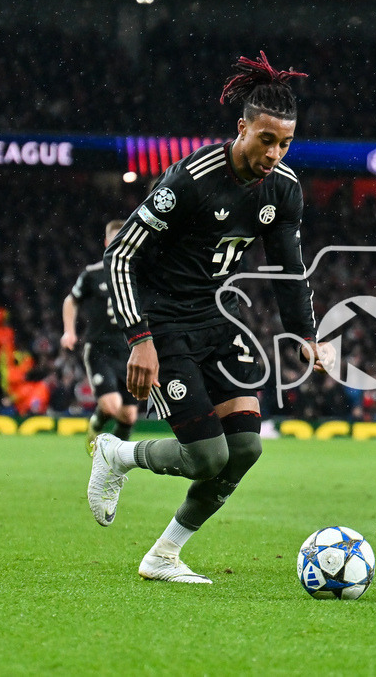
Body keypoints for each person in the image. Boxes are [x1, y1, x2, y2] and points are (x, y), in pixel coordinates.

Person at [88, 52, 335, 583]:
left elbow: (291, 270)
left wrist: (307, 337)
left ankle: (163, 556)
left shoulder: (283, 189)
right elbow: (121, 255)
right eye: (266, 139)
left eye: (285, 143)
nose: (275, 153)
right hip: (163, 323)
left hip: (215, 320)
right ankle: (117, 454)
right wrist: (140, 339)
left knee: (245, 447)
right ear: (241, 127)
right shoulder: (191, 179)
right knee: (204, 458)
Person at [61, 220, 138, 452]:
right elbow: (70, 300)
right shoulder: (93, 274)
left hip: (128, 349)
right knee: (112, 405)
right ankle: (95, 427)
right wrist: (69, 331)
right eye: (114, 240)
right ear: (106, 243)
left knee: (129, 416)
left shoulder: (136, 274)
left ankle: (115, 459)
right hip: (99, 348)